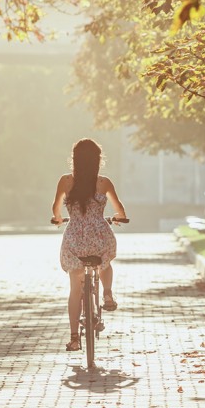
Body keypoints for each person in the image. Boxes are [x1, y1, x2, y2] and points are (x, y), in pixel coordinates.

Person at [51, 138, 127, 352]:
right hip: (99, 237)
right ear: (98, 159)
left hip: (75, 240)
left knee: (75, 289)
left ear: (74, 159)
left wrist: (57, 219)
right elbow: (119, 209)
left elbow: (55, 209)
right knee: (105, 262)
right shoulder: (104, 183)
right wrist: (119, 217)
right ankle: (108, 293)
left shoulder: (65, 181)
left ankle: (74, 338)